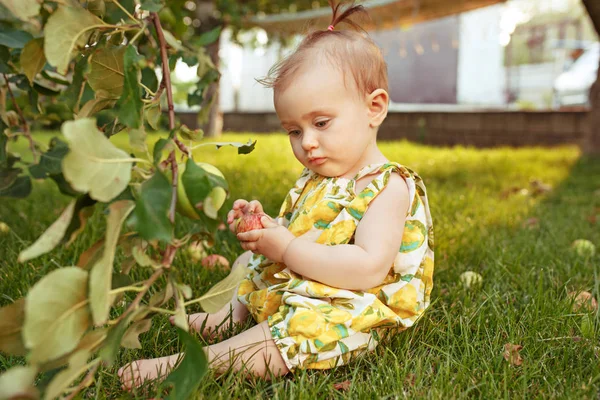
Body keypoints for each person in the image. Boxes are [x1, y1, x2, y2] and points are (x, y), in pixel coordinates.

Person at [118, 0, 434, 390]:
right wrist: (268, 230)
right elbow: (306, 233)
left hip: (358, 302)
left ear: (374, 108)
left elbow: (368, 267)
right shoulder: (317, 179)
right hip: (313, 277)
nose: (308, 143)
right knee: (250, 259)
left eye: (320, 123)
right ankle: (229, 316)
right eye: (294, 131)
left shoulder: (389, 187)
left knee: (301, 327)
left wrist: (286, 249)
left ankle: (189, 363)